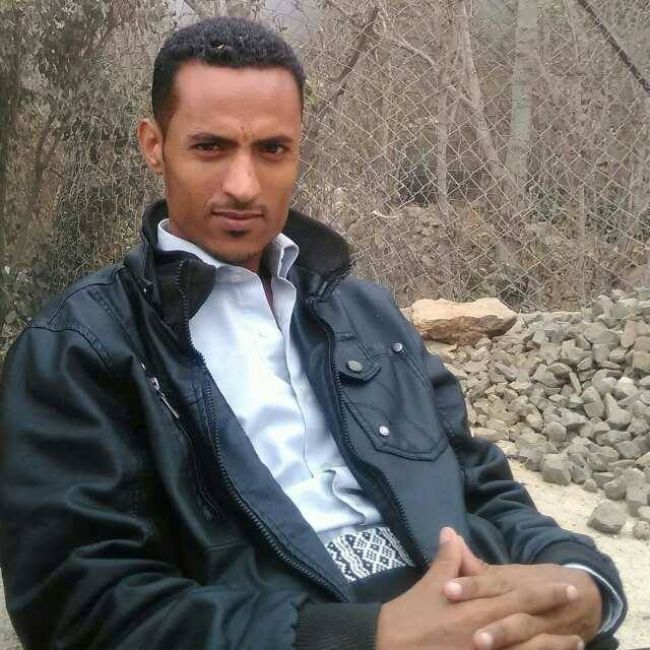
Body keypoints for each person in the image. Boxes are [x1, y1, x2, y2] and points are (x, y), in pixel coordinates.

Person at [0, 16, 626, 650]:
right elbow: (80, 605)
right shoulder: (80, 348)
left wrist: (582, 584)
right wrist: (366, 635)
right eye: (210, 147)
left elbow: (479, 485)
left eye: (272, 150)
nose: (243, 186)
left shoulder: (368, 316)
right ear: (154, 145)